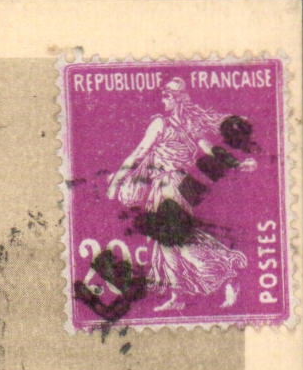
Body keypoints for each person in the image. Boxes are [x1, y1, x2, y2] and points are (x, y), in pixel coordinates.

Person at [106, 76, 256, 311]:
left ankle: (228, 273)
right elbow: (141, 154)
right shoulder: (175, 125)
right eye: (163, 95)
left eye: (167, 96)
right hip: (163, 187)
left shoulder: (165, 124)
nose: (163, 100)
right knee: (167, 245)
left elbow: (140, 153)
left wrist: (116, 182)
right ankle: (177, 297)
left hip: (173, 187)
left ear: (177, 100)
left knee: (180, 241)